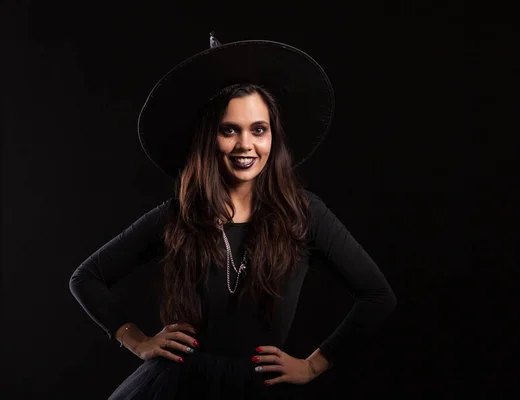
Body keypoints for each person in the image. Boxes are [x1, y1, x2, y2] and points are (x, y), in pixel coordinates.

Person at [69, 33, 397, 400]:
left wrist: (312, 365)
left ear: (273, 137)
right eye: (229, 130)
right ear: (210, 138)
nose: (245, 145)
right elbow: (86, 278)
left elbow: (377, 296)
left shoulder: (304, 213)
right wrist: (138, 341)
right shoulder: (179, 214)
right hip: (176, 386)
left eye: (259, 130)